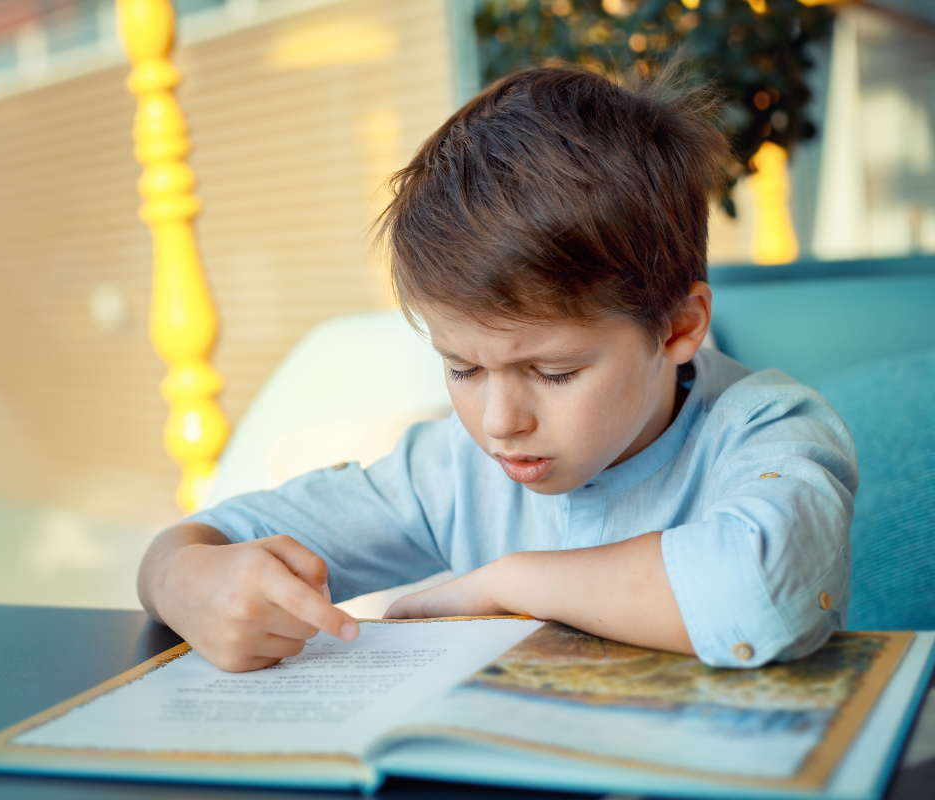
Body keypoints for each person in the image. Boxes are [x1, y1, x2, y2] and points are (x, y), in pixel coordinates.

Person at [136, 64, 856, 674]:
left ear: (678, 327)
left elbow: (764, 591)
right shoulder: (452, 472)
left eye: (554, 372)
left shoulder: (770, 430)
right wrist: (184, 578)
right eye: (462, 369)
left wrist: (509, 583)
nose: (498, 422)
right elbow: (210, 537)